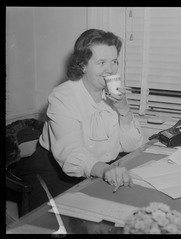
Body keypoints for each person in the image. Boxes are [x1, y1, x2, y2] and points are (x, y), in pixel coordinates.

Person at [13, 29, 144, 212]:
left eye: (114, 61)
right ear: (83, 65)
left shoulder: (113, 95)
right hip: (55, 172)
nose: (110, 69)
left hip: (99, 171)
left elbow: (131, 145)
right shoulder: (62, 97)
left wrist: (124, 109)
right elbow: (71, 152)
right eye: (101, 63)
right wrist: (104, 170)